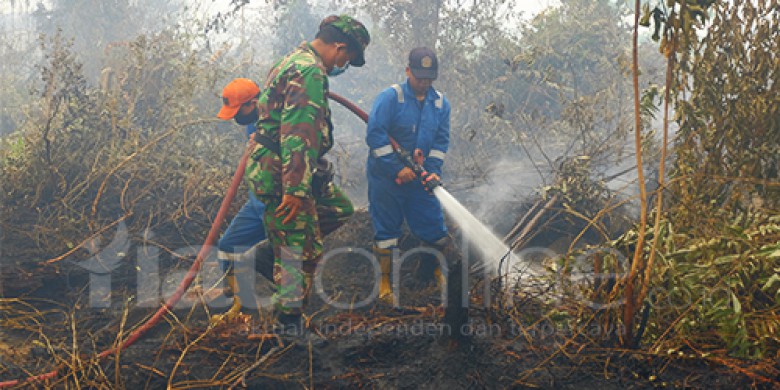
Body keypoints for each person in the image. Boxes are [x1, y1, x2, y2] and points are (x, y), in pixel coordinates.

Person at [244, 14, 370, 330]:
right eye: (348, 58)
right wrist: (296, 190)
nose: (343, 65)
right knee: (297, 248)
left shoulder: (293, 60)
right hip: (281, 171)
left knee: (337, 209)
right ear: (339, 47)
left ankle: (268, 253)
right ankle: (288, 325)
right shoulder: (310, 71)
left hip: (287, 167)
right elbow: (297, 133)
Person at [365, 47, 453, 305]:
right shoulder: (391, 98)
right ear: (407, 72)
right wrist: (396, 168)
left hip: (420, 179)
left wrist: (433, 172)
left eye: (429, 78)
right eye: (419, 77)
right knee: (387, 232)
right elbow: (375, 135)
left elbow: (440, 142)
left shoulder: (440, 104)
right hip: (387, 181)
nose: (425, 83)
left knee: (435, 229)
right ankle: (384, 286)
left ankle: (436, 275)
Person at [212, 78, 273, 322]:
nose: (237, 118)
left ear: (254, 102)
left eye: (239, 111)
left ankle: (292, 309)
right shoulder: (252, 125)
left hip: (276, 202)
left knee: (284, 254)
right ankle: (240, 305)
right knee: (228, 246)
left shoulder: (278, 120)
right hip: (256, 200)